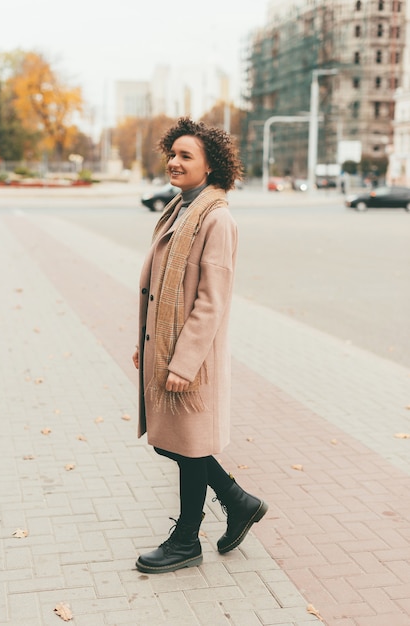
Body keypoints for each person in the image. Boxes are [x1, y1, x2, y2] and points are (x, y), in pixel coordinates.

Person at [132, 117, 268, 574]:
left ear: (210, 167)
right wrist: (148, 346)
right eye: (172, 154)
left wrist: (184, 361)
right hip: (169, 350)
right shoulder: (179, 209)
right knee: (170, 443)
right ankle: (237, 501)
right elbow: (159, 291)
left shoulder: (217, 219)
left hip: (194, 358)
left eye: (186, 156)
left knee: (187, 448)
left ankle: (187, 540)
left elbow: (212, 301)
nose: (174, 162)